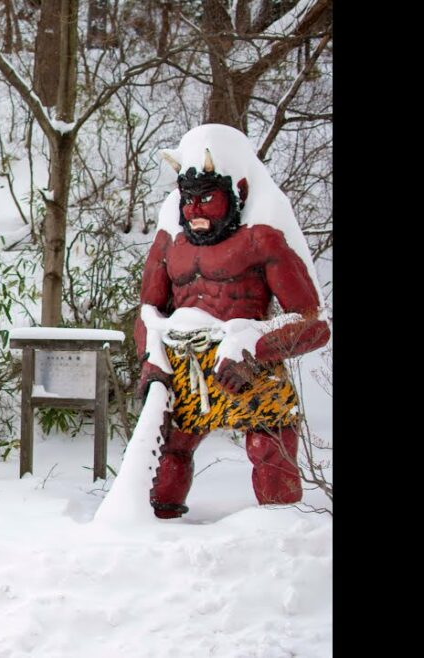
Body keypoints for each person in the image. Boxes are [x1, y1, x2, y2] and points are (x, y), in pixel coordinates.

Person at [134, 124, 330, 519]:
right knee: (168, 449)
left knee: (268, 444)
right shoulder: (170, 241)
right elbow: (147, 311)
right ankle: (156, 533)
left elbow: (314, 323)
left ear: (236, 192)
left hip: (247, 362)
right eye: (188, 199)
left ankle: (280, 534)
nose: (195, 210)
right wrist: (151, 356)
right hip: (186, 363)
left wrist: (253, 345)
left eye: (207, 197)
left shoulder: (263, 239)